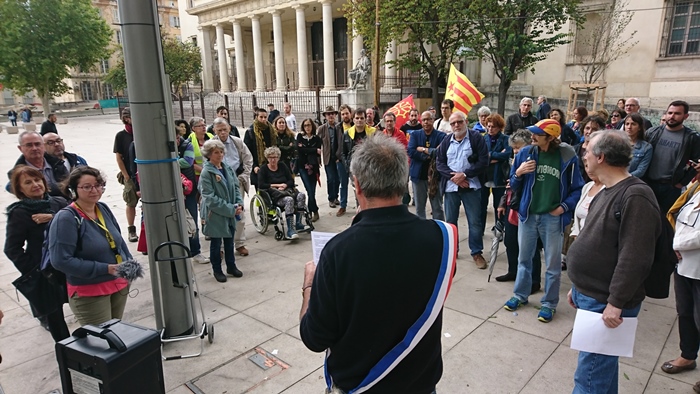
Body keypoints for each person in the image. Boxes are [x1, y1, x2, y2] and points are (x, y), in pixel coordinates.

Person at [299, 133, 456, 394]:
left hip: (361, 386)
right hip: (421, 385)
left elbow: (314, 337)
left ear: (357, 185)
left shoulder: (337, 251)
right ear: (404, 180)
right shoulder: (442, 237)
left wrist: (309, 285)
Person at [567, 130, 661, 394]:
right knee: (601, 373)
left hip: (607, 304)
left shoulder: (635, 196)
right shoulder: (606, 189)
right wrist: (578, 286)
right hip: (592, 296)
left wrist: (616, 302)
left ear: (601, 156)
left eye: (587, 150)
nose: (583, 154)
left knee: (589, 379)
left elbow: (636, 257)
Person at [504, 119, 584, 323]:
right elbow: (513, 183)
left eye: (538, 133)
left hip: (552, 217)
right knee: (524, 259)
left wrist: (563, 208)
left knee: (553, 265)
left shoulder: (566, 156)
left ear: (550, 136)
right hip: (528, 216)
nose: (533, 136)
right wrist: (519, 172)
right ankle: (520, 295)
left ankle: (549, 304)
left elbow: (578, 188)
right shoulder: (526, 153)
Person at [49, 166, 132, 326]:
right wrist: (105, 269)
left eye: (98, 185)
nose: (94, 190)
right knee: (102, 341)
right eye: (87, 187)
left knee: (117, 332)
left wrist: (128, 264)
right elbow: (61, 260)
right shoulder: (66, 218)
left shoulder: (102, 208)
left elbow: (118, 242)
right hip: (90, 291)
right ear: (73, 190)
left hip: (118, 285)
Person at [4, 166, 70, 341]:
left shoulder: (59, 202)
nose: (35, 184)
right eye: (28, 182)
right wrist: (35, 270)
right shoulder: (19, 212)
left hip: (69, 265)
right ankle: (67, 359)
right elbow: (12, 248)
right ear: (20, 189)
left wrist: (54, 217)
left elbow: (78, 222)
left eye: (37, 179)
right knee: (56, 321)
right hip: (46, 272)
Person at [437, 111, 489, 268]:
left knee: (474, 221)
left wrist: (465, 175)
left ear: (466, 122)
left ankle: (476, 252)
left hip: (471, 186)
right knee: (451, 222)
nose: (456, 125)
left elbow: (483, 161)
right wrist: (455, 178)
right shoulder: (446, 141)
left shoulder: (476, 139)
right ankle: (453, 251)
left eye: (459, 122)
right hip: (451, 187)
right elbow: (439, 163)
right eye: (453, 123)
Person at [661, 179, 700, 387]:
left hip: (694, 261)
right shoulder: (694, 189)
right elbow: (679, 218)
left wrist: (676, 244)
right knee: (685, 312)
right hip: (684, 264)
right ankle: (688, 355)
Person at [495, 130, 542, 290]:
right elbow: (509, 186)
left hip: (527, 208)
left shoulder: (534, 162)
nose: (515, 151)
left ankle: (535, 280)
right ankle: (513, 271)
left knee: (531, 247)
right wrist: (502, 203)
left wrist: (520, 173)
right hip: (512, 206)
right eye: (514, 148)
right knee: (510, 241)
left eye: (518, 147)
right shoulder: (515, 160)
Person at [199, 140, 244, 283]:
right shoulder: (206, 172)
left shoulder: (227, 168)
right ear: (209, 155)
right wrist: (231, 209)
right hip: (215, 215)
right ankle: (217, 270)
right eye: (216, 152)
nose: (220, 155)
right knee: (216, 244)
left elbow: (236, 187)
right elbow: (209, 198)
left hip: (231, 212)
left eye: (221, 152)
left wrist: (239, 204)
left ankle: (231, 266)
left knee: (230, 241)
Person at [644, 100, 700, 214]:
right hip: (648, 183)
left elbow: (696, 163)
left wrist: (682, 182)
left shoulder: (691, 138)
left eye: (677, 114)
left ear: (686, 116)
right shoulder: (652, 133)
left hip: (670, 187)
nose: (672, 116)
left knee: (665, 222)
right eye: (669, 113)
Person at [211, 117, 253, 257]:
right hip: (219, 184)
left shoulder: (237, 142)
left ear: (229, 128)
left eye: (225, 129)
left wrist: (243, 176)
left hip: (236, 182)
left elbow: (248, 159)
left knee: (239, 212)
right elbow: (207, 163)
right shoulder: (211, 145)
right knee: (221, 214)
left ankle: (239, 244)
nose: (223, 133)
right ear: (214, 131)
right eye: (219, 130)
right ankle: (221, 247)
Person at [258, 146, 309, 239]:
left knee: (301, 195)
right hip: (275, 196)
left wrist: (285, 185)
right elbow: (261, 185)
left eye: (275, 157)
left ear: (278, 157)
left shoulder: (282, 166)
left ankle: (298, 223)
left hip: (287, 190)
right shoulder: (263, 169)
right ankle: (290, 230)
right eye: (270, 157)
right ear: (267, 158)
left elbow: (291, 180)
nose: (273, 160)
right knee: (289, 200)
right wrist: (276, 186)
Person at [175, 129, 209, 264]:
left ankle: (196, 252)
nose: (176, 141)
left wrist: (169, 161)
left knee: (192, 222)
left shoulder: (186, 145)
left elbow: (187, 162)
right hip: (172, 191)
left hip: (188, 190)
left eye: (177, 137)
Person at [408, 110, 447, 220]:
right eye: (424, 120)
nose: (426, 122)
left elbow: (441, 153)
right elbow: (411, 151)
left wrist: (424, 149)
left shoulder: (441, 136)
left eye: (429, 119)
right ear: (421, 121)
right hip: (419, 176)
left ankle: (439, 230)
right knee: (419, 207)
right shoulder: (415, 135)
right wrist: (428, 155)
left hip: (435, 177)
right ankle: (422, 231)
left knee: (437, 207)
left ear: (433, 120)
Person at [7, 131, 69, 196]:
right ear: (20, 148)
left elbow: (67, 185)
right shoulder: (17, 173)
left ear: (43, 145)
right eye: (29, 145)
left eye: (37, 144)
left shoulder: (57, 163)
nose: (34, 148)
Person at [480, 113, 511, 234]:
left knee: (499, 205)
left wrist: (490, 155)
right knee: (481, 205)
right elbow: (479, 156)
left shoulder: (505, 139)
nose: (490, 129)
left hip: (499, 176)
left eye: (493, 127)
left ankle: (499, 229)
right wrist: (495, 156)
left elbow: (507, 154)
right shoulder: (484, 138)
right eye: (488, 126)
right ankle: (480, 230)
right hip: (484, 176)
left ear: (499, 127)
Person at [342, 108, 377, 216]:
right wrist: (347, 166)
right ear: (353, 119)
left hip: (368, 169)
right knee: (358, 193)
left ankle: (369, 213)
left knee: (369, 193)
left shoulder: (373, 132)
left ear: (366, 119)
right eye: (357, 118)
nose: (359, 120)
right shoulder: (347, 133)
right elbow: (343, 152)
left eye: (362, 118)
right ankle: (361, 214)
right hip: (354, 170)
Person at [113, 107, 138, 242]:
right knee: (131, 202)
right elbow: (119, 157)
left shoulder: (142, 132)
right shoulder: (121, 136)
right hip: (130, 174)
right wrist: (126, 176)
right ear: (127, 119)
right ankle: (131, 229)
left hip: (144, 173)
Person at [317, 106, 344, 209]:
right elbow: (318, 145)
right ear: (325, 116)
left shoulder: (339, 127)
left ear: (335, 115)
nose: (331, 116)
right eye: (328, 114)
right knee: (330, 179)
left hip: (338, 157)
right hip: (328, 157)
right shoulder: (322, 129)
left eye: (332, 113)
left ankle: (336, 196)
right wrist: (318, 159)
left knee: (337, 179)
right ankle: (331, 198)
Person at [296, 118, 322, 222]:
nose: (307, 127)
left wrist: (308, 149)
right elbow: (299, 150)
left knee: (313, 192)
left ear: (312, 126)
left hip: (314, 168)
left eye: (309, 125)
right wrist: (314, 150)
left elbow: (319, 152)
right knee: (309, 190)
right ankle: (314, 210)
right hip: (303, 167)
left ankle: (311, 211)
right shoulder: (299, 137)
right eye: (305, 125)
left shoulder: (316, 138)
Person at [245, 108, 277, 189]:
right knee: (261, 193)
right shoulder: (251, 131)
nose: (263, 119)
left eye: (265, 117)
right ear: (256, 117)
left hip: (271, 165)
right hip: (258, 167)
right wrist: (254, 166)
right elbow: (247, 152)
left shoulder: (271, 129)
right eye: (261, 117)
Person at [574, 116, 606, 184]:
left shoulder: (603, 152)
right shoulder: (574, 150)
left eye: (594, 129)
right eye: (587, 128)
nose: (590, 132)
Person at [625, 113, 653, 179]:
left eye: (633, 124)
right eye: (627, 124)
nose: (629, 127)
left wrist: (623, 178)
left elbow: (641, 171)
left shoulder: (646, 147)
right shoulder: (616, 143)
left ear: (639, 127)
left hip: (631, 181)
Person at [188, 116, 214, 181]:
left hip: (214, 171)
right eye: (200, 125)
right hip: (198, 175)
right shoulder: (189, 141)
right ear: (193, 128)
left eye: (204, 125)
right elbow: (191, 163)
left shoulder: (211, 137)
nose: (204, 127)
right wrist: (205, 172)